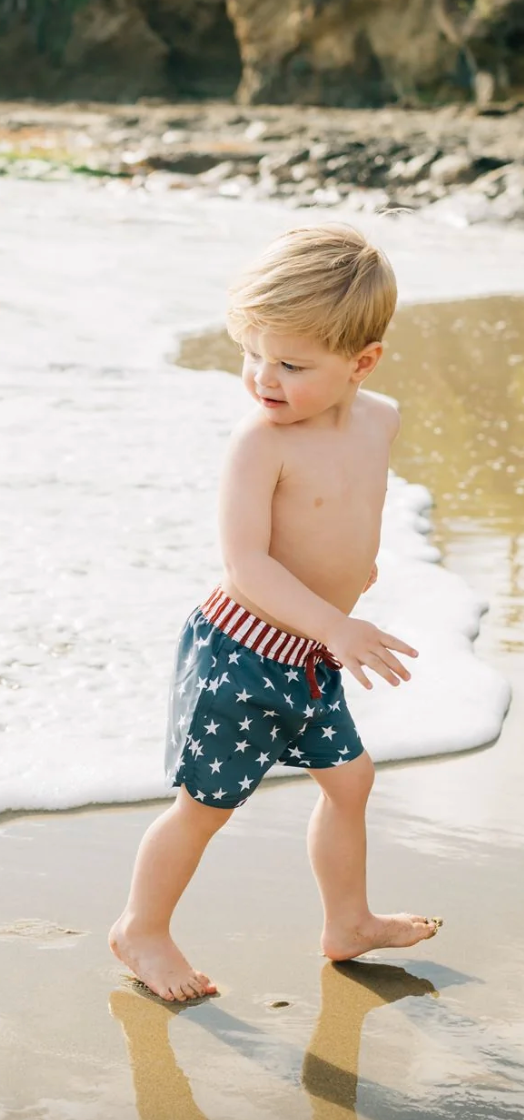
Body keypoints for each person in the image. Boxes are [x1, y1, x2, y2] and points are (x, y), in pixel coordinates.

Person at [109, 223, 442, 1003]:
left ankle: (348, 921)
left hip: (315, 656)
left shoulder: (380, 418)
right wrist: (335, 621)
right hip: (245, 655)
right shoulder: (259, 443)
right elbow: (246, 565)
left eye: (291, 364)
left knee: (351, 780)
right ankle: (142, 929)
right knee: (205, 806)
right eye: (252, 354)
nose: (264, 377)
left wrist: (358, 566)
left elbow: (359, 496)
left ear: (362, 364)